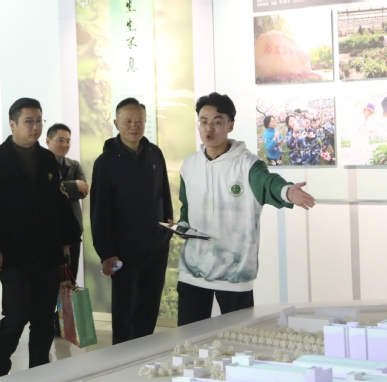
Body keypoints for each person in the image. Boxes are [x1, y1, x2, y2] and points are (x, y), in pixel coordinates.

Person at [176, 92, 316, 326]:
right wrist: (181, 225)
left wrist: (287, 191)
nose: (209, 128)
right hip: (193, 270)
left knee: (239, 336)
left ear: (230, 125)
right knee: (188, 337)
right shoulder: (189, 164)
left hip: (235, 273)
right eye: (204, 121)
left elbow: (267, 183)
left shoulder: (248, 164)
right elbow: (186, 206)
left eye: (217, 121)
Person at [0, 98, 81, 378]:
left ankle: (38, 374)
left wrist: (66, 240)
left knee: (43, 317)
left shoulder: (47, 159)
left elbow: (60, 202)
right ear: (13, 124)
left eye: (39, 121)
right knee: (16, 316)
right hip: (13, 252)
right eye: (29, 121)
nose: (35, 127)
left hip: (48, 251)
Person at [90, 97, 173, 345]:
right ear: (116, 123)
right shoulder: (105, 162)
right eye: (128, 121)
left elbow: (164, 195)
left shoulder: (154, 153)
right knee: (125, 312)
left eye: (139, 121)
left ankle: (143, 356)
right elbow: (99, 211)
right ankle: (122, 360)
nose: (134, 126)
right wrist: (106, 253)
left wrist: (167, 231)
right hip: (123, 252)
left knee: (149, 308)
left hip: (155, 248)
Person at [45, 123, 88, 336]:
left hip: (72, 231)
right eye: (60, 140)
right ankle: (47, 320)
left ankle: (63, 323)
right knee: (50, 279)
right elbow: (46, 192)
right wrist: (72, 186)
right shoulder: (42, 164)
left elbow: (84, 190)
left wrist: (62, 188)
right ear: (48, 141)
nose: (64, 144)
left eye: (68, 141)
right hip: (49, 233)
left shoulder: (74, 164)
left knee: (69, 277)